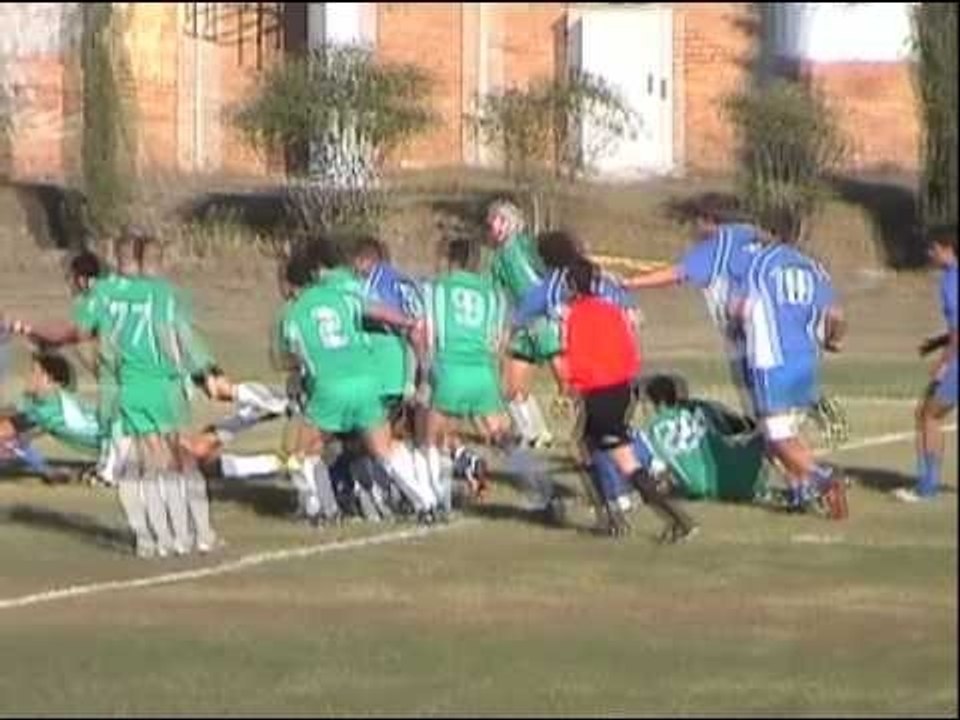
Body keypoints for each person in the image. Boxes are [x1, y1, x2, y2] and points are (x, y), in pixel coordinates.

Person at [540, 230, 698, 542]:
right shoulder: (611, 311)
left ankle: (668, 520)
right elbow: (629, 351)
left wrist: (573, 387)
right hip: (622, 389)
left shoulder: (574, 316)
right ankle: (616, 516)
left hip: (600, 394)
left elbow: (576, 357)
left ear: (572, 286)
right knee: (585, 447)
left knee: (622, 461)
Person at [275, 241, 439, 527]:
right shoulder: (340, 297)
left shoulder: (292, 314)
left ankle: (321, 509)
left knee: (303, 452)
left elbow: (291, 359)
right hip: (366, 381)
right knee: (384, 450)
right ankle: (426, 503)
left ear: (290, 284)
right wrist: (408, 322)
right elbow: (376, 310)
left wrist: (298, 383)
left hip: (329, 387)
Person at [420, 237, 562, 521]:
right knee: (503, 436)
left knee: (432, 439)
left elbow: (425, 333)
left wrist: (427, 371)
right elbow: (500, 341)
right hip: (483, 372)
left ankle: (436, 502)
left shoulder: (435, 288)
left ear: (450, 260)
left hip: (449, 369)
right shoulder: (494, 295)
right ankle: (545, 491)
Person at [728, 210, 848, 519]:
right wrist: (833, 340)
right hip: (806, 356)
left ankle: (823, 480)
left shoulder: (757, 263)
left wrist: (735, 323)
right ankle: (799, 492)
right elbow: (836, 315)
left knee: (775, 433)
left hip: (771, 357)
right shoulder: (813, 267)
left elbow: (739, 307)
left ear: (767, 230)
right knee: (786, 428)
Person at [623, 194, 761, 408]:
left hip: (749, 331)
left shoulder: (718, 245)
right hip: (779, 332)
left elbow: (678, 273)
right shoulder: (754, 238)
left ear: (708, 220)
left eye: (696, 222)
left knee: (758, 401)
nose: (693, 230)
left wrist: (629, 283)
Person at [485, 200, 557, 448]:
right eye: (491, 223)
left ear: (509, 222)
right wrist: (500, 328)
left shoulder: (527, 246)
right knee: (512, 385)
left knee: (569, 380)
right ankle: (536, 432)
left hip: (546, 320)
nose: (493, 227)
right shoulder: (496, 260)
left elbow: (552, 274)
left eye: (497, 220)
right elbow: (498, 296)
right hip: (523, 325)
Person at [895, 225, 958, 503]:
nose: (930, 254)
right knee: (926, 412)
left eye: (933, 248)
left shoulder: (951, 281)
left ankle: (927, 488)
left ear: (947, 249)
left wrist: (945, 361)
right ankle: (926, 483)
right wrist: (937, 342)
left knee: (928, 415)